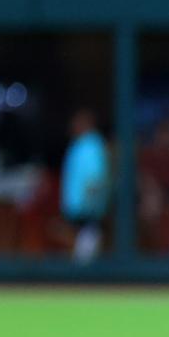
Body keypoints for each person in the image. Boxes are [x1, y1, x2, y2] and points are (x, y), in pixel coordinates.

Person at [60, 109, 110, 263]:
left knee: (89, 233)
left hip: (88, 203)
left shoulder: (93, 145)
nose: (74, 126)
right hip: (75, 203)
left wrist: (92, 198)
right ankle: (80, 270)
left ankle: (82, 273)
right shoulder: (78, 144)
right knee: (81, 236)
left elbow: (95, 175)